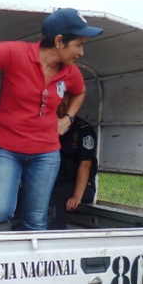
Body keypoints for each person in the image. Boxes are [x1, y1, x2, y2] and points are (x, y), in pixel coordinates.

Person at [0, 7, 103, 230]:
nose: (81, 52)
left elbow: (80, 91)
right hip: (5, 148)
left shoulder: (70, 72)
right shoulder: (17, 52)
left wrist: (68, 118)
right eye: (79, 45)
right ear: (59, 41)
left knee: (36, 219)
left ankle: (29, 250)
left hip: (45, 154)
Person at [48, 94, 98, 230]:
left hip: (82, 187)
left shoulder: (84, 131)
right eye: (60, 105)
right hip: (59, 181)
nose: (63, 109)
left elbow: (85, 165)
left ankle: (57, 234)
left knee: (55, 194)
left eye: (67, 106)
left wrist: (76, 196)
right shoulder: (50, 128)